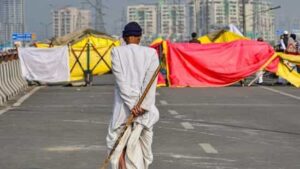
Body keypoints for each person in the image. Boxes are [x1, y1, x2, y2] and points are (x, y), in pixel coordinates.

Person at [106, 22, 159, 169]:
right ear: (140, 37)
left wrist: (132, 106)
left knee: (118, 147)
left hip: (123, 111)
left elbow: (121, 82)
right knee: (141, 148)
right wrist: (141, 107)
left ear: (124, 37)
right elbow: (151, 83)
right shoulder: (151, 53)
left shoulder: (116, 52)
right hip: (144, 111)